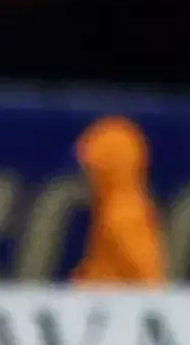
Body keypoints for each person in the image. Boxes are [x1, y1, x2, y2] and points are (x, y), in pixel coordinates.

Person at [69, 116, 165, 286]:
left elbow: (148, 279)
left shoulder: (122, 216)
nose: (83, 178)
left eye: (90, 170)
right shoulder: (113, 209)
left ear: (106, 172)